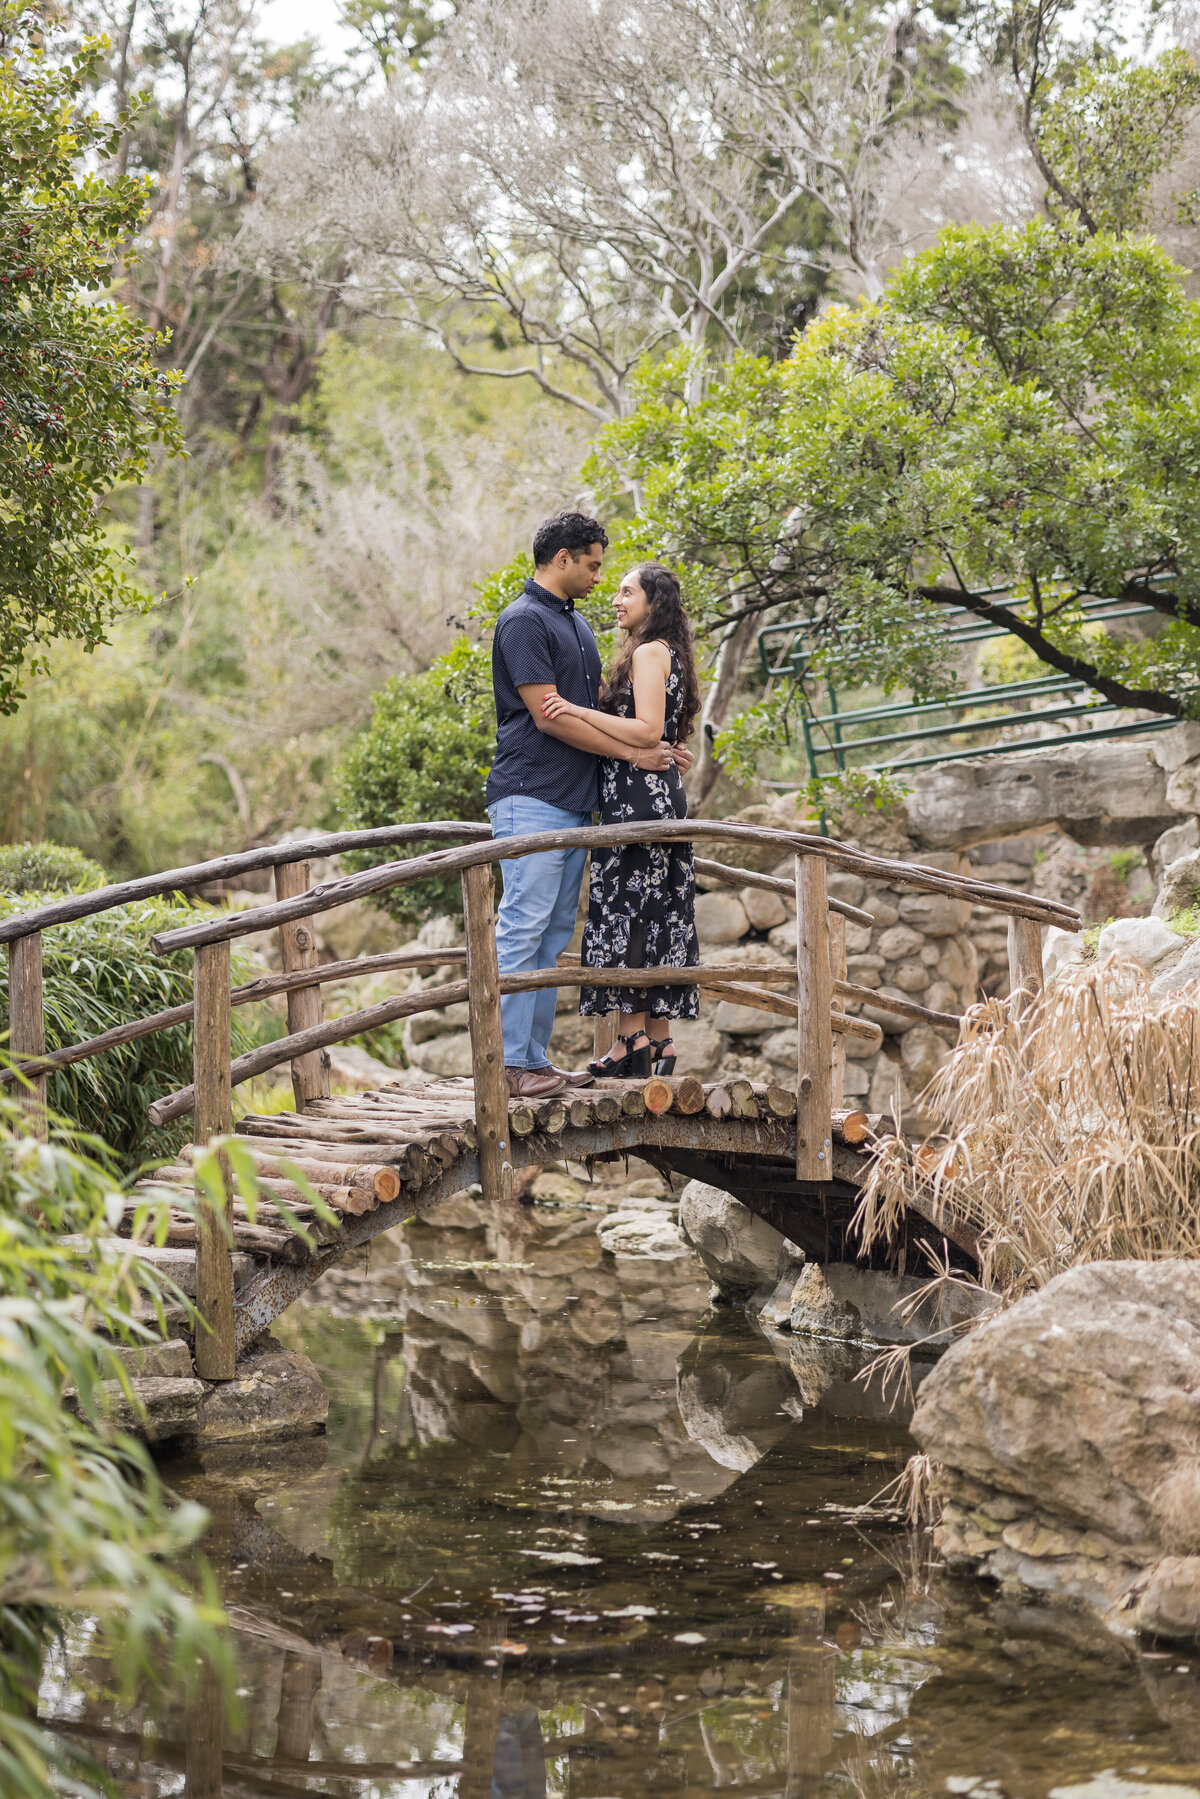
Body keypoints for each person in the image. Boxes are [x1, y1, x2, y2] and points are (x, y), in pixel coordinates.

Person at [486, 512, 691, 1099]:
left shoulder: (574, 625)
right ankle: (502, 1064)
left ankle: (530, 1059)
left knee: (551, 935)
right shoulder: (523, 621)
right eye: (595, 564)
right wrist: (634, 757)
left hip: (576, 802)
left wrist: (653, 749)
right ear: (563, 558)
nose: (600, 577)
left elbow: (597, 713)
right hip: (530, 794)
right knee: (523, 927)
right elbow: (550, 719)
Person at [540, 562, 701, 1077]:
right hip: (651, 792)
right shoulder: (662, 652)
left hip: (638, 797)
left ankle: (629, 1039)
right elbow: (660, 735)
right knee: (654, 911)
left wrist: (575, 710)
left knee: (631, 909)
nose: (616, 598)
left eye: (627, 591)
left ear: (653, 603)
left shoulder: (650, 652)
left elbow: (647, 730)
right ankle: (659, 1043)